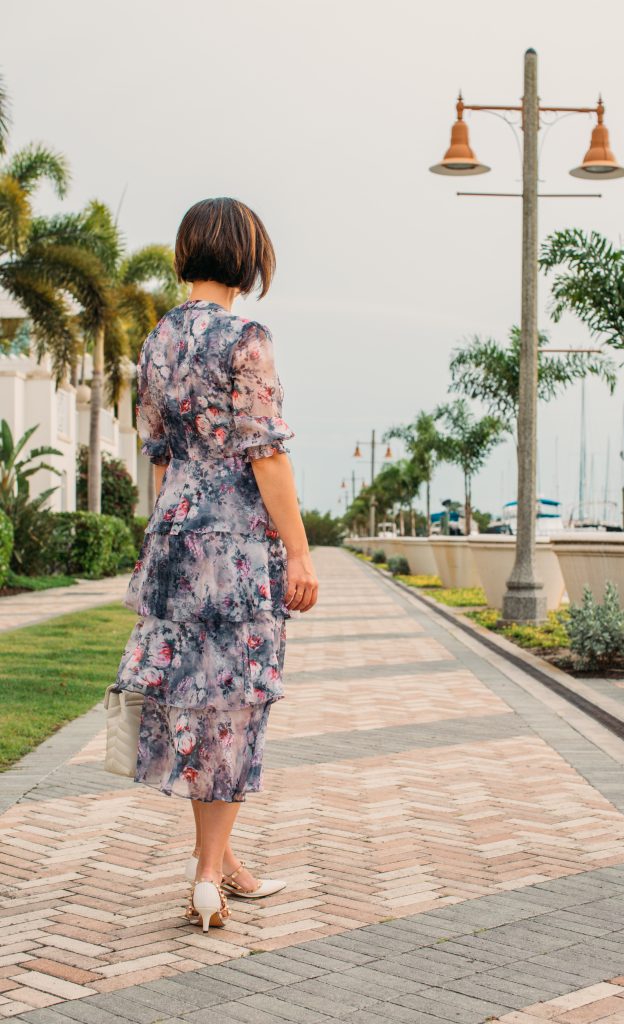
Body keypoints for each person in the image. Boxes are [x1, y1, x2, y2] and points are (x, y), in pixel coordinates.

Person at [111, 197, 318, 932]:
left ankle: (223, 860)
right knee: (236, 703)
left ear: (186, 252)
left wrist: (165, 540)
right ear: (247, 257)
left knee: (199, 704)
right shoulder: (245, 339)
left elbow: (160, 454)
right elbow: (265, 451)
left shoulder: (158, 341)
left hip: (174, 536)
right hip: (234, 545)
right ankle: (206, 876)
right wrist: (297, 551)